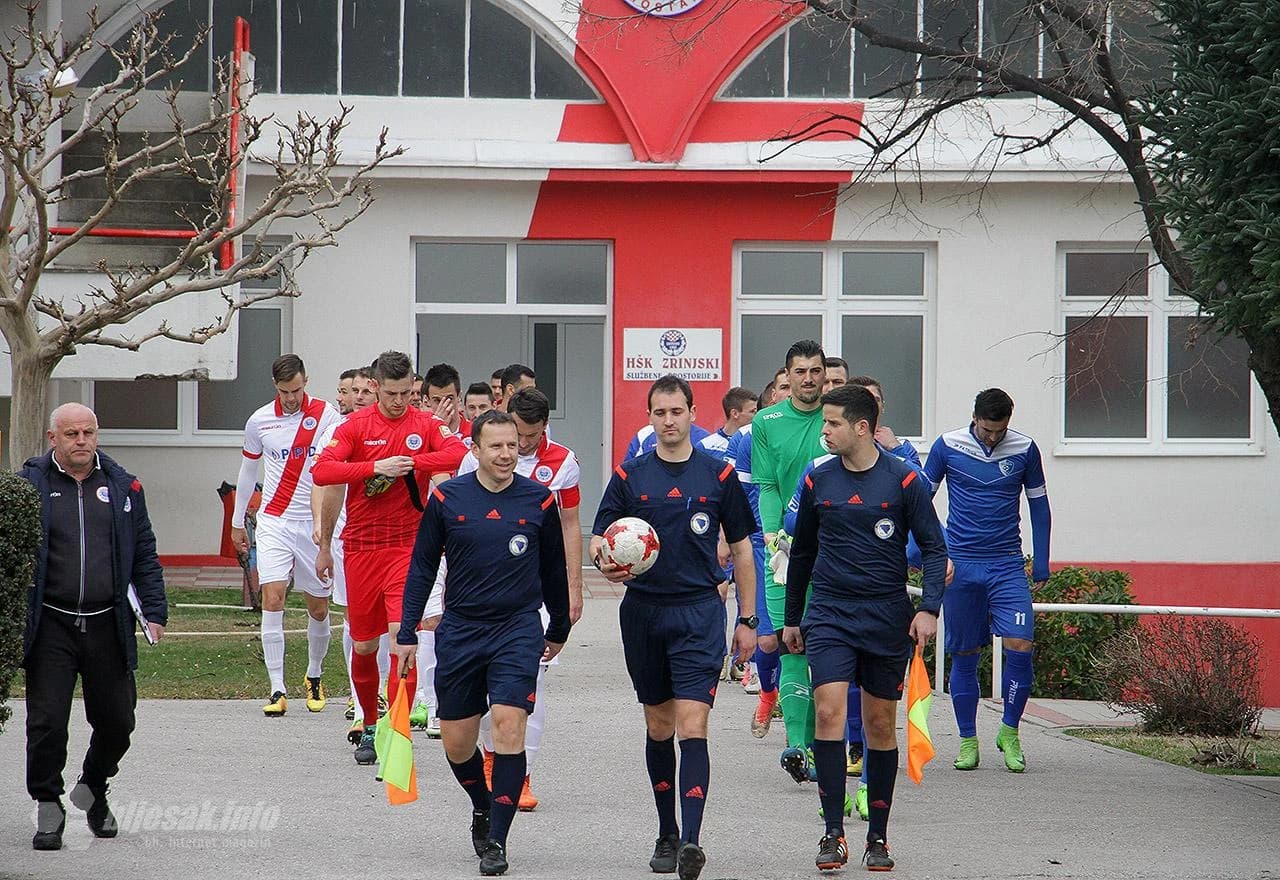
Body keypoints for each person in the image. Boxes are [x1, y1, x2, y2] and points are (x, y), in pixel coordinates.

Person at [592, 375, 758, 880]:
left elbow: (745, 550)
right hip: (644, 612)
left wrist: (748, 620)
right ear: (650, 417)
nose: (668, 421)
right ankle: (666, 831)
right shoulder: (629, 475)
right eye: (659, 413)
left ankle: (691, 840)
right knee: (659, 724)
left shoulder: (719, 474)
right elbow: (600, 538)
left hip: (698, 613)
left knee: (693, 723)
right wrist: (606, 559)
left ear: (691, 413)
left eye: (677, 412)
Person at [394, 409, 572, 877]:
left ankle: (497, 840)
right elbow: (422, 567)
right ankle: (482, 803)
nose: (506, 454)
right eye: (495, 446)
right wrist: (408, 630)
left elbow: (553, 568)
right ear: (474, 450)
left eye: (512, 445)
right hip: (461, 629)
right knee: (457, 742)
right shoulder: (448, 498)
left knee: (509, 725)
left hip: (517, 628)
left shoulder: (539, 500)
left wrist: (558, 628)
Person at [783, 384, 947, 872]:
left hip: (884, 615)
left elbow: (935, 550)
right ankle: (833, 833)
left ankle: (878, 836)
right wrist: (793, 617)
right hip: (830, 613)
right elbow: (803, 554)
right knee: (829, 711)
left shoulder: (903, 482)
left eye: (832, 423)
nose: (824, 431)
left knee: (879, 724)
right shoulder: (819, 481)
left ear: (861, 427)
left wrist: (929, 609)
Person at [18, 403, 167, 851]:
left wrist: (155, 611)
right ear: (53, 439)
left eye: (88, 433)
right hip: (51, 625)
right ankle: (48, 802)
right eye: (71, 434)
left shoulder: (123, 486)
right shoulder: (30, 486)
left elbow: (144, 551)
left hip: (108, 623)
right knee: (46, 724)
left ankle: (93, 789)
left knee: (118, 722)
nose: (81, 441)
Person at [312, 350, 468, 765]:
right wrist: (374, 466)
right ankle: (368, 723)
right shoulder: (354, 426)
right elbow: (323, 472)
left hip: (409, 547)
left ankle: (398, 731)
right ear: (376, 387)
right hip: (362, 547)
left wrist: (413, 463)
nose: (399, 401)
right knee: (364, 646)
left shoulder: (425, 423)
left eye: (406, 393)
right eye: (392, 393)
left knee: (404, 639)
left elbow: (457, 456)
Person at [450, 388, 583, 810]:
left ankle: (522, 772)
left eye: (531, 436)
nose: (522, 445)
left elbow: (570, 525)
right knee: (485, 685)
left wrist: (573, 588)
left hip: (535, 589)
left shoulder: (563, 462)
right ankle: (492, 754)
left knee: (532, 684)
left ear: (546, 427)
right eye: (517, 434)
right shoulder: (477, 456)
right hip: (484, 590)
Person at [924, 388, 1051, 773]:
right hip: (960, 565)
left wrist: (1041, 561)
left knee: (1021, 642)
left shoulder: (1025, 449)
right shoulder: (947, 445)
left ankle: (1010, 731)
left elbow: (1039, 504)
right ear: (974, 417)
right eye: (987, 429)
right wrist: (933, 551)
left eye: (1000, 430)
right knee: (964, 653)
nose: (993, 437)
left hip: (1006, 563)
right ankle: (967, 741)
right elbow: (918, 502)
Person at [230, 354, 342, 716]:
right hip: (275, 520)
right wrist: (236, 521)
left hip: (314, 525)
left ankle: (314, 674)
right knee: (273, 597)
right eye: (284, 391)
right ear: (274, 387)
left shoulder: (327, 416)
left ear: (306, 380)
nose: (291, 397)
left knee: (318, 606)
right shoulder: (259, 420)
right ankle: (277, 687)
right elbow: (248, 473)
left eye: (296, 389)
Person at [751, 340, 829, 783]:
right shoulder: (767, 422)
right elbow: (766, 484)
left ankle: (825, 744)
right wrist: (773, 531)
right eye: (799, 371)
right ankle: (798, 747)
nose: (808, 379)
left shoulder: (837, 417)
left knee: (827, 648)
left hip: (832, 552)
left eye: (815, 370)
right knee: (790, 643)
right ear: (787, 376)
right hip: (784, 551)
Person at [315, 368, 389, 742]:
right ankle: (361, 701)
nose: (359, 396)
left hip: (393, 541)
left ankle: (386, 696)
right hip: (352, 540)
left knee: (394, 622)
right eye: (353, 390)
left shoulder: (391, 428)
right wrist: (323, 535)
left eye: (365, 390)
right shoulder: (337, 432)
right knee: (357, 624)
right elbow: (325, 483)